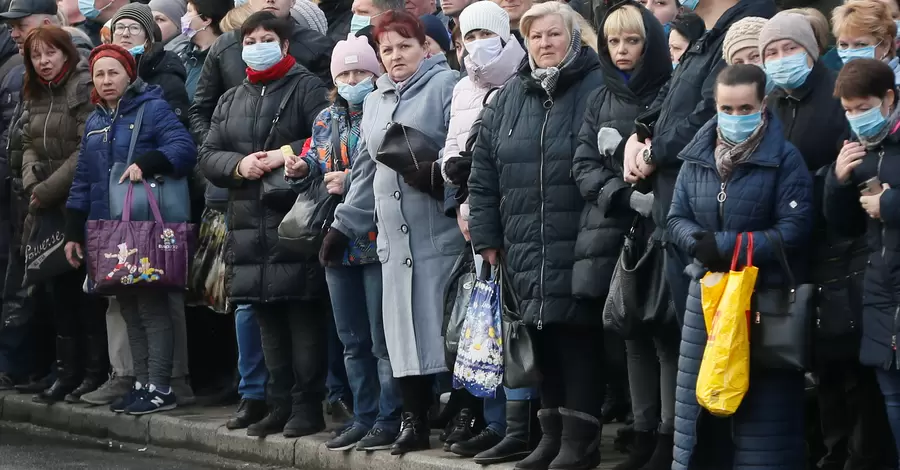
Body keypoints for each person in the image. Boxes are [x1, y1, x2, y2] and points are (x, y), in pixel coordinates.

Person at [468, 2, 605, 468]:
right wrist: (488, 238)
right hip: (525, 242)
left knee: (576, 337)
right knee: (540, 338)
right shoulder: (509, 97)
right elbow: (482, 174)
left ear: (573, 38)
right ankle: (550, 434)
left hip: (581, 237)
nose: (545, 44)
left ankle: (580, 442)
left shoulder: (598, 87)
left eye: (554, 35)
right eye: (536, 37)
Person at [323, 9, 461, 455]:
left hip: (437, 232)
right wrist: (345, 224)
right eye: (388, 49)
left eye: (405, 46)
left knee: (446, 333)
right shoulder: (377, 99)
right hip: (393, 239)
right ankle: (413, 421)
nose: (397, 55)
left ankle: (462, 414)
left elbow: (460, 149)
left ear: (424, 48)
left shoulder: (446, 85)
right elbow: (365, 169)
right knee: (401, 337)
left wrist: (437, 177)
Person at [666, 63, 813, 469]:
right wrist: (699, 244)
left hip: (761, 302)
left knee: (762, 420)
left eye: (744, 107)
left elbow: (794, 230)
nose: (734, 117)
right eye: (726, 109)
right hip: (707, 300)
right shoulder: (697, 154)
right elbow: (675, 215)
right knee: (702, 416)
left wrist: (727, 246)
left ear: (763, 104)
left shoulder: (785, 159)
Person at [199, 11, 330, 439]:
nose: (258, 45)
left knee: (302, 318)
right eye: (250, 40)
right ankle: (278, 404)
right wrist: (239, 165)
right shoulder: (231, 97)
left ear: (285, 44)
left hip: (293, 221)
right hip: (247, 225)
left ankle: (307, 407)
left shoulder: (306, 86)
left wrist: (281, 153)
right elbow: (208, 155)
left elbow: (326, 137)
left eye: (266, 38)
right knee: (268, 322)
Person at [623, 0, 774, 336]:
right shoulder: (705, 34)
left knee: (717, 345)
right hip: (678, 211)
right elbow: (670, 96)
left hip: (709, 220)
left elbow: (706, 114)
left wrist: (653, 154)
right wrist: (640, 133)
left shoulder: (742, 27)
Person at [285, 32, 402, 453]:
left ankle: (390, 416)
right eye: (346, 72)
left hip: (374, 238)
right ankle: (364, 415)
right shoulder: (325, 118)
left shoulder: (381, 109)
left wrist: (346, 180)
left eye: (361, 71)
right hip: (334, 241)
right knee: (351, 340)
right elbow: (317, 158)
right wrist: (301, 167)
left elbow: (381, 168)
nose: (353, 78)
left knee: (381, 338)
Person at [64, 44, 196, 415]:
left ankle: (162, 386)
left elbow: (184, 149)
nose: (106, 81)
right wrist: (74, 231)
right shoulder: (94, 122)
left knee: (152, 309)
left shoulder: (152, 108)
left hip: (146, 228)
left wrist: (146, 162)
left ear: (129, 75)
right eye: (99, 74)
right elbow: (83, 180)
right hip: (109, 232)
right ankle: (141, 383)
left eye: (113, 73)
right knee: (129, 309)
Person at [572, 3, 675, 470]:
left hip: (664, 226)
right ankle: (642, 429)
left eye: (632, 41)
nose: (622, 50)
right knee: (632, 333)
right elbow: (582, 165)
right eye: (613, 42)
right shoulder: (600, 96)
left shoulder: (672, 89)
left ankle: (669, 435)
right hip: (617, 228)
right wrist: (622, 194)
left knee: (665, 333)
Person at [436, 1, 534, 464]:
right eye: (468, 35)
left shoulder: (522, 79)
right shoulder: (461, 88)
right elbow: (451, 147)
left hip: (514, 216)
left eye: (484, 34)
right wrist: (454, 182)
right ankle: (495, 421)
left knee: (514, 323)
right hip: (473, 216)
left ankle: (520, 421)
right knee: (485, 325)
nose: (476, 44)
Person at [16, 25, 100, 404]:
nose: (44, 62)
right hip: (44, 203)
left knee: (84, 293)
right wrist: (32, 180)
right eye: (36, 56)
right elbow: (26, 141)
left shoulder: (82, 86)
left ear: (66, 53)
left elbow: (88, 147)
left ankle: (93, 372)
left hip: (76, 203)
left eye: (50, 53)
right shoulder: (34, 89)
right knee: (57, 292)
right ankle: (66, 373)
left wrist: (48, 191)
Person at [825, 58, 900, 469]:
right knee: (889, 397)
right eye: (849, 110)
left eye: (863, 107)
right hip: (880, 290)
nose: (856, 117)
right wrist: (837, 182)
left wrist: (888, 203)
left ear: (888, 98)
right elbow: (844, 224)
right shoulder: (861, 150)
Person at [189, 0, 332, 145]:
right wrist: (218, 151)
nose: (270, 0)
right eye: (250, 42)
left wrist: (289, 155)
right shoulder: (225, 46)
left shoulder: (317, 47)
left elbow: (329, 123)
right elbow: (200, 111)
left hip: (294, 162)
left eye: (268, 40)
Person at [109, 3, 189, 123]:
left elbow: (175, 128)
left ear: (148, 39)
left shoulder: (166, 72)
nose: (125, 34)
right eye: (119, 27)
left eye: (135, 28)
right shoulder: (101, 70)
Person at [832, 0, 900, 84]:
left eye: (861, 44)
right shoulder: (840, 84)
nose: (850, 53)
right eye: (843, 45)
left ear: (885, 45)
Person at [172, 0, 229, 100]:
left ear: (206, 19)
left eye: (189, 11)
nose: (184, 17)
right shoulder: (184, 54)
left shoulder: (223, 59)